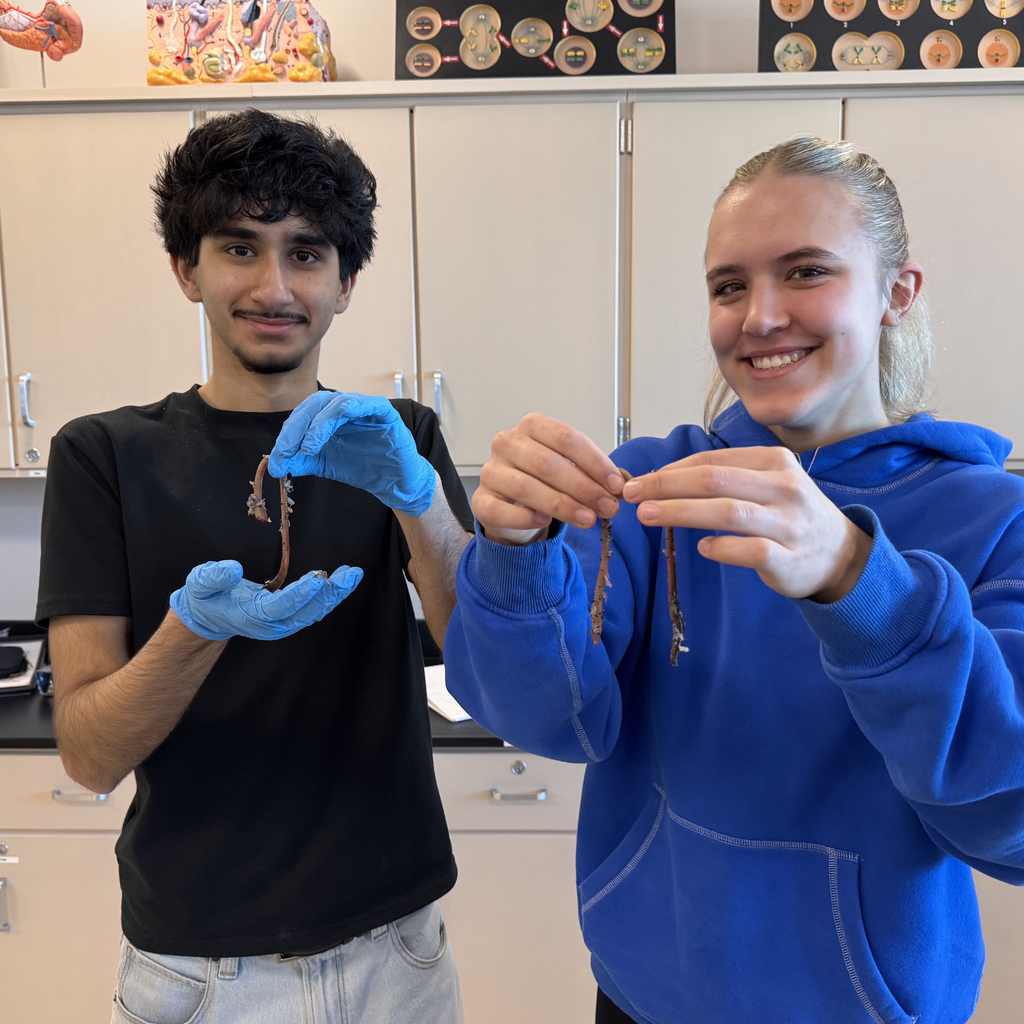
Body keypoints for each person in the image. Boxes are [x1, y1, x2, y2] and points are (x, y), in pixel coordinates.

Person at [443, 136, 1024, 1024]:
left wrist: (857, 583)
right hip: (641, 997)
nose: (758, 317)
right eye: (729, 285)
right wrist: (516, 555)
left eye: (804, 272)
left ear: (896, 295)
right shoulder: (649, 488)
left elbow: (1009, 822)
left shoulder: (992, 519)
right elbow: (551, 718)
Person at [37, 109, 471, 1024]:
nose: (274, 286)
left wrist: (418, 497)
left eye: (307, 254)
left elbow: (477, 658)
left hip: (399, 945)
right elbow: (87, 753)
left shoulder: (399, 439)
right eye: (240, 248)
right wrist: (192, 633)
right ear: (186, 269)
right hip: (200, 969)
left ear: (346, 283)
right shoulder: (103, 456)